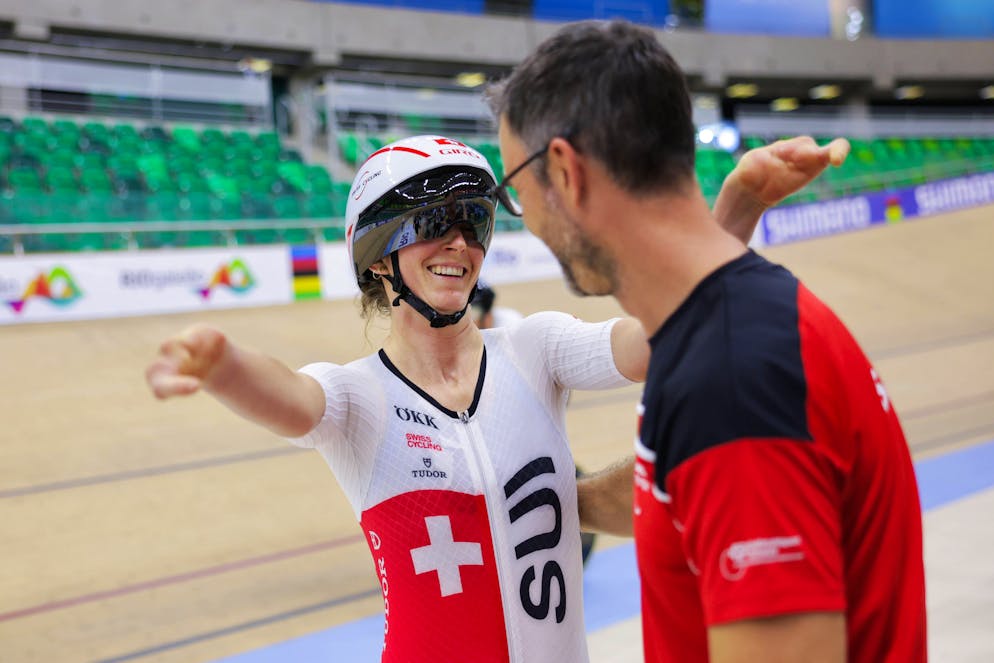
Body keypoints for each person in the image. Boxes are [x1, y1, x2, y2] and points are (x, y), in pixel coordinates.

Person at [146, 132, 848, 663]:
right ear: (379, 254)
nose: (460, 242)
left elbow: (658, 336)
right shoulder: (356, 397)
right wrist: (222, 364)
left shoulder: (534, 347)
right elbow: (292, 399)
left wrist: (737, 208)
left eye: (474, 223)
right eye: (435, 223)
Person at [486, 19, 925, 663]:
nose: (528, 224)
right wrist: (556, 506)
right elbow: (683, 496)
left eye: (517, 194)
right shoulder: (737, 324)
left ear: (565, 171)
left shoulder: (730, 381)